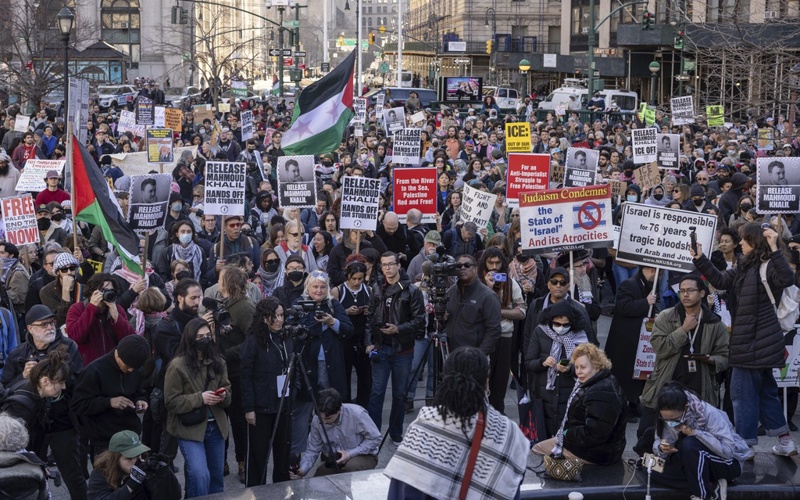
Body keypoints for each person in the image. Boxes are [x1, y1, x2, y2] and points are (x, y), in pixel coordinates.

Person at [691, 222, 798, 456]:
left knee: (742, 395)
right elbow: (719, 282)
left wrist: (775, 248)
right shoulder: (745, 265)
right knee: (766, 392)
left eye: (744, 239)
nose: (740, 243)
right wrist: (700, 259)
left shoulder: (769, 265)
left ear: (755, 241)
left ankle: (744, 445)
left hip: (752, 341)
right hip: (759, 341)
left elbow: (787, 278)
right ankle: (785, 440)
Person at [385, 346, 529, 499]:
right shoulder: (509, 433)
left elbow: (401, 490)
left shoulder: (424, 425)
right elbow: (512, 489)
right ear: (486, 383)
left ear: (446, 379)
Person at [1, 304, 86, 500]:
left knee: (74, 476)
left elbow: (77, 383)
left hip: (62, 423)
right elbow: (6, 388)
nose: (50, 328)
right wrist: (24, 377)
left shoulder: (68, 347)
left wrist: (49, 374)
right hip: (32, 426)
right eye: (44, 324)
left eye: (52, 323)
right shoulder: (19, 353)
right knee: (33, 473)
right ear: (30, 328)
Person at [638, 275, 729, 440]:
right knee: (647, 435)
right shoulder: (667, 316)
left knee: (691, 439)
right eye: (682, 291)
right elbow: (660, 348)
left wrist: (710, 359)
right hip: (665, 385)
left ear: (702, 293)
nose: (685, 295)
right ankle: (649, 464)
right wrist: (684, 330)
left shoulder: (715, 323)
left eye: (690, 290)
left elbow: (725, 356)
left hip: (699, 389)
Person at [163, 317, 232, 498]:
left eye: (208, 335)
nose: (205, 339)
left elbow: (228, 390)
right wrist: (199, 398)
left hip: (216, 427)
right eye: (200, 336)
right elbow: (170, 401)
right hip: (190, 428)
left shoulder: (218, 361)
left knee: (216, 478)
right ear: (190, 339)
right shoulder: (177, 365)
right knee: (200, 475)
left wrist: (224, 395)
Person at [531, 343, 628, 466]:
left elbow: (594, 434)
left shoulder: (601, 392)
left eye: (583, 367)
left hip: (597, 453)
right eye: (576, 367)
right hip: (600, 448)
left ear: (596, 366)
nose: (578, 372)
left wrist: (566, 433)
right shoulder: (600, 381)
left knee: (536, 449)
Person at [651, 382, 750, 500]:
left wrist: (696, 433)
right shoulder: (665, 418)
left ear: (686, 408)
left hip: (726, 463)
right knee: (650, 466)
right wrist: (662, 448)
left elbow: (728, 451)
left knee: (690, 444)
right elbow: (661, 441)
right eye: (665, 419)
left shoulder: (708, 413)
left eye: (674, 419)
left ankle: (702, 495)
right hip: (690, 464)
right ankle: (712, 486)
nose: (670, 422)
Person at [365, 252, 425, 444]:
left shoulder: (411, 291)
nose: (388, 268)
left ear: (398, 265)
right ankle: (373, 434)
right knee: (376, 393)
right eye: (384, 265)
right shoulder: (376, 288)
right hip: (381, 348)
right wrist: (368, 342)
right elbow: (369, 317)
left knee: (400, 394)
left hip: (402, 350)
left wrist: (398, 329)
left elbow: (420, 321)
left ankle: (396, 433)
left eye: (391, 264)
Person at [240, 297, 294, 486]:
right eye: (275, 316)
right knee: (258, 456)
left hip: (283, 404)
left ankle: (282, 491)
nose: (279, 320)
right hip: (261, 407)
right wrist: (249, 408)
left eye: (281, 315)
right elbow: (245, 376)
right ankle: (256, 492)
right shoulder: (253, 341)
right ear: (264, 318)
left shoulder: (286, 336)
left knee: (283, 454)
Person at [71, 335, 150, 458]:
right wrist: (108, 402)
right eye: (127, 366)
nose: (130, 370)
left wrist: (141, 400)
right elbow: (78, 404)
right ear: (118, 354)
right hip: (104, 439)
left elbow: (139, 391)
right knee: (108, 476)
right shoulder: (93, 371)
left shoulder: (136, 370)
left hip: (131, 434)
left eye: (133, 368)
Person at [525, 299, 592, 437]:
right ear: (550, 321)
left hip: (570, 394)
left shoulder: (580, 336)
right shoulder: (540, 332)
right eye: (557, 324)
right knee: (544, 438)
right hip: (544, 394)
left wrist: (569, 369)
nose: (561, 327)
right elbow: (529, 362)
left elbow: (588, 368)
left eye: (565, 324)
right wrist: (543, 363)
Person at [605, 265, 658, 421]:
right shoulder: (629, 284)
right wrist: (645, 302)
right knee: (624, 375)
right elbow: (623, 307)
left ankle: (633, 404)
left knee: (637, 374)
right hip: (624, 339)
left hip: (639, 339)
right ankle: (625, 407)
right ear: (651, 271)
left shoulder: (647, 285)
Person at [290, 388, 381, 478]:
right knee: (318, 479)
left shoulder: (357, 414)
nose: (324, 422)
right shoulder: (317, 420)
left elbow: (375, 438)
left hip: (363, 455)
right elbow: (313, 449)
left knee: (349, 468)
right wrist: (302, 470)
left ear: (339, 411)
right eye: (321, 418)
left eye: (328, 418)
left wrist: (349, 453)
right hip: (336, 458)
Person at [66, 273, 135, 366]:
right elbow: (75, 337)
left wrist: (116, 317)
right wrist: (92, 308)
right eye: (103, 290)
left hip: (111, 366)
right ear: (92, 291)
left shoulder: (117, 309)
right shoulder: (77, 309)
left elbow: (129, 340)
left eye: (111, 291)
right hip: (87, 367)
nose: (107, 293)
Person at [330, 260, 372, 407]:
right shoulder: (338, 291)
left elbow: (373, 315)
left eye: (360, 279)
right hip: (344, 340)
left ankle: (363, 405)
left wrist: (368, 311)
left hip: (362, 338)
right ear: (347, 276)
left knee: (365, 377)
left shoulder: (368, 290)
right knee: (344, 375)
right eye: (354, 279)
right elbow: (332, 313)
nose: (357, 282)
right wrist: (345, 311)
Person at [444, 254, 502, 355]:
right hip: (451, 353)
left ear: (475, 269)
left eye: (467, 265)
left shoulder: (488, 296)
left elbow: (494, 330)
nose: (462, 268)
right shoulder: (451, 292)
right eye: (459, 266)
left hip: (473, 356)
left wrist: (480, 355)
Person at [87, 430, 151, 499]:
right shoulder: (100, 474)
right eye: (129, 458)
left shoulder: (144, 470)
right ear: (115, 459)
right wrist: (130, 486)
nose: (136, 462)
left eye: (138, 455)